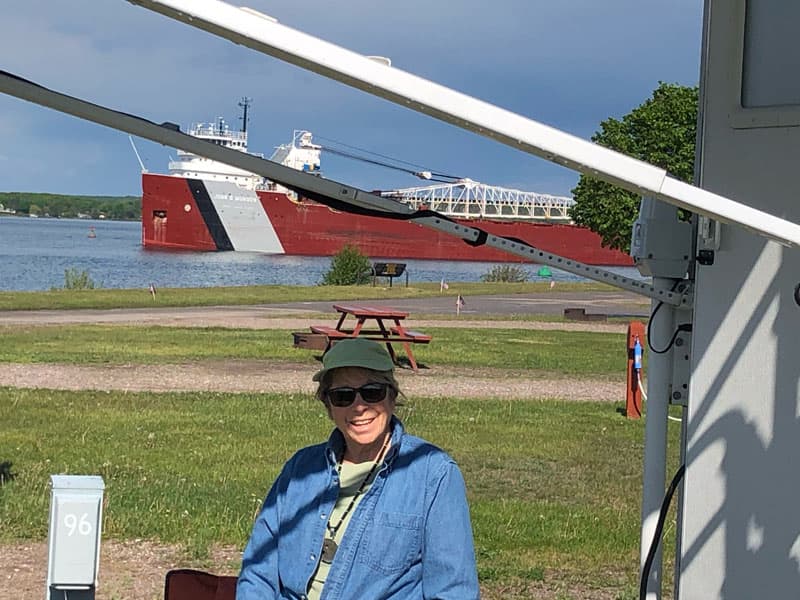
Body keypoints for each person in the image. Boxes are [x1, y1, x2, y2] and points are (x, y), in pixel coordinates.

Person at [237, 338, 480, 599]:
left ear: (392, 396)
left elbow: (453, 591)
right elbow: (258, 572)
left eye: (372, 392)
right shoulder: (300, 469)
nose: (360, 406)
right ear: (328, 406)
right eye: (343, 396)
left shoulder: (434, 475)